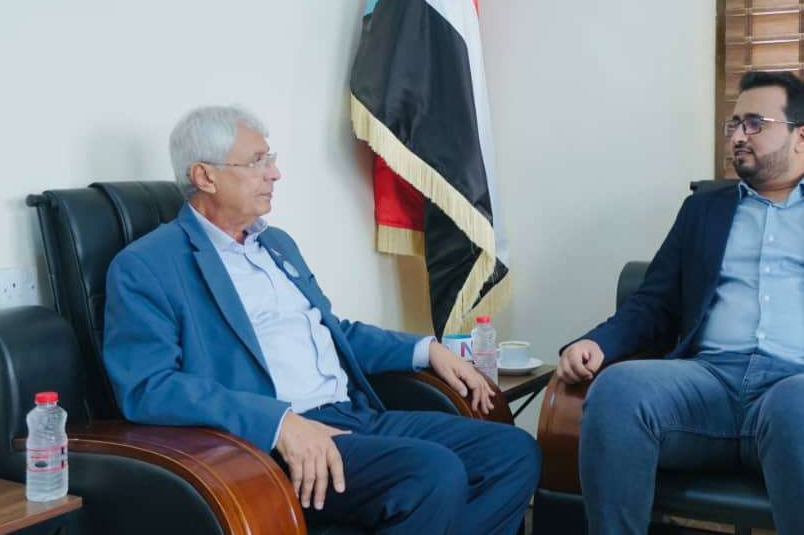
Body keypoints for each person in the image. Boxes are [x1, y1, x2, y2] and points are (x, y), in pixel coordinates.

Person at [103, 105, 539, 535]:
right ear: (204, 176)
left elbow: (333, 332)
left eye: (270, 159)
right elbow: (148, 386)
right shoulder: (148, 265)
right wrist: (278, 422)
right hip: (271, 443)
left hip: (353, 415)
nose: (275, 174)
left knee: (513, 452)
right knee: (433, 472)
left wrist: (427, 350)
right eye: (257, 162)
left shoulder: (277, 245)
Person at [558, 71, 804, 535]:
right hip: (707, 383)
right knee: (617, 389)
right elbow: (653, 302)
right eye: (733, 124)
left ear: (803, 135)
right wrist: (598, 343)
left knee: (799, 404)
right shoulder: (703, 211)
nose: (737, 135)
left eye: (754, 123)